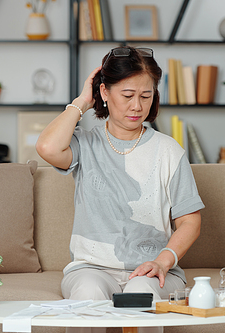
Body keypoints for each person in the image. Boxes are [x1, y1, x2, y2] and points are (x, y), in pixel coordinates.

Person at [36, 46, 204, 333]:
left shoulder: (168, 151)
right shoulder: (85, 145)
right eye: (127, 95)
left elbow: (190, 221)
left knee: (140, 293)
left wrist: (163, 262)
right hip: (91, 269)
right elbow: (48, 148)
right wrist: (81, 102)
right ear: (104, 92)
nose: (137, 106)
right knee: (88, 294)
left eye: (146, 96)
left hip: (153, 271)